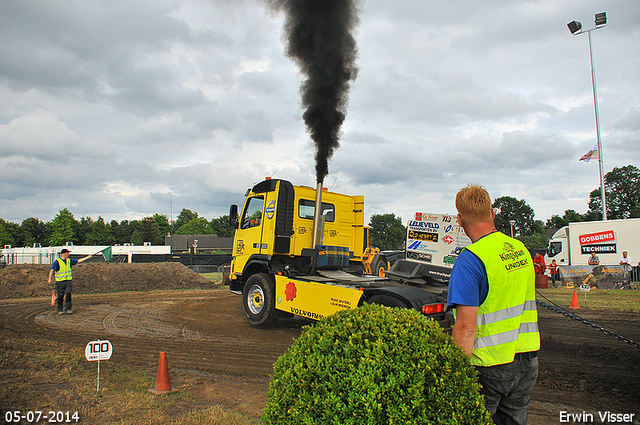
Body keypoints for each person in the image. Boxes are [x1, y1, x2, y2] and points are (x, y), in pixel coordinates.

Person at [448, 184, 539, 425]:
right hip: (527, 361)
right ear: (492, 213)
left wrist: (454, 374)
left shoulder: (471, 260)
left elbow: (466, 328)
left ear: (460, 219)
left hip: (488, 367)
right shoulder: (519, 249)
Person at [47, 249, 92, 315]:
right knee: (60, 295)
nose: (68, 254)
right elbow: (52, 270)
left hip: (68, 281)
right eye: (68, 253)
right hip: (60, 282)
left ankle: (68, 309)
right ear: (64, 253)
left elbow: (78, 261)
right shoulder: (57, 261)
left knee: (68, 294)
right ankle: (60, 309)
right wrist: (49, 279)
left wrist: (87, 257)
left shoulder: (69, 260)